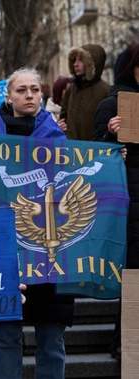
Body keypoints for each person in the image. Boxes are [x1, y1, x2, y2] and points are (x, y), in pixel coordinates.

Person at [0, 68, 70, 379]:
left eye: (35, 89)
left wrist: (117, 155)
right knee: (5, 337)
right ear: (9, 96)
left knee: (51, 339)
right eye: (21, 90)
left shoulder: (60, 140)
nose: (30, 95)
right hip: (4, 250)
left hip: (50, 252)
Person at [94, 43, 139, 359]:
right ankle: (129, 348)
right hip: (131, 206)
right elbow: (94, 158)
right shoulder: (113, 105)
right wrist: (111, 139)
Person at [61, 44, 109, 140]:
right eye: (74, 60)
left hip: (95, 150)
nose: (75, 64)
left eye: (81, 60)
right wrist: (62, 127)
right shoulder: (71, 89)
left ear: (92, 63)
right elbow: (63, 117)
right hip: (71, 149)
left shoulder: (106, 91)